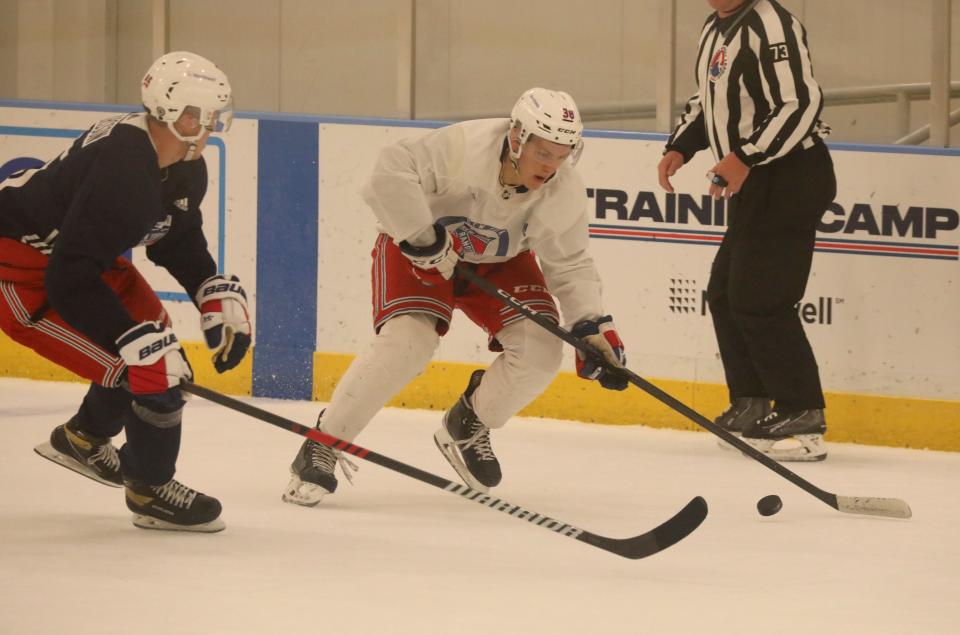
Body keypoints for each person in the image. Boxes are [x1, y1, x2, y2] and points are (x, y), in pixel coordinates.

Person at [283, 87, 628, 505]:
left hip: (499, 260)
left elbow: (570, 264)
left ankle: (468, 422)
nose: (552, 166)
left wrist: (591, 326)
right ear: (518, 137)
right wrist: (421, 236)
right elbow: (390, 169)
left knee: (541, 350)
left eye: (562, 154)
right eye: (544, 153)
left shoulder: (564, 190)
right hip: (424, 245)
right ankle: (324, 442)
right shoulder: (463, 147)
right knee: (408, 344)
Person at [0, 51, 251, 531]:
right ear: (166, 111)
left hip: (83, 261)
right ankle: (150, 489)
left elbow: (174, 237)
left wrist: (208, 289)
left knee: (158, 352)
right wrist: (126, 339)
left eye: (213, 115)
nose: (208, 125)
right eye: (197, 114)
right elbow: (68, 277)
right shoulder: (122, 167)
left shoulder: (185, 166)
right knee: (146, 369)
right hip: (17, 270)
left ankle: (83, 438)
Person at [657, 0, 837, 461]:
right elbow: (708, 98)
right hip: (756, 182)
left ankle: (802, 411)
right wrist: (681, 145)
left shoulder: (771, 23)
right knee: (724, 294)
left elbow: (801, 103)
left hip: (790, 177)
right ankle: (753, 401)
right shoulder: (715, 26)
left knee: (761, 300)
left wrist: (746, 156)